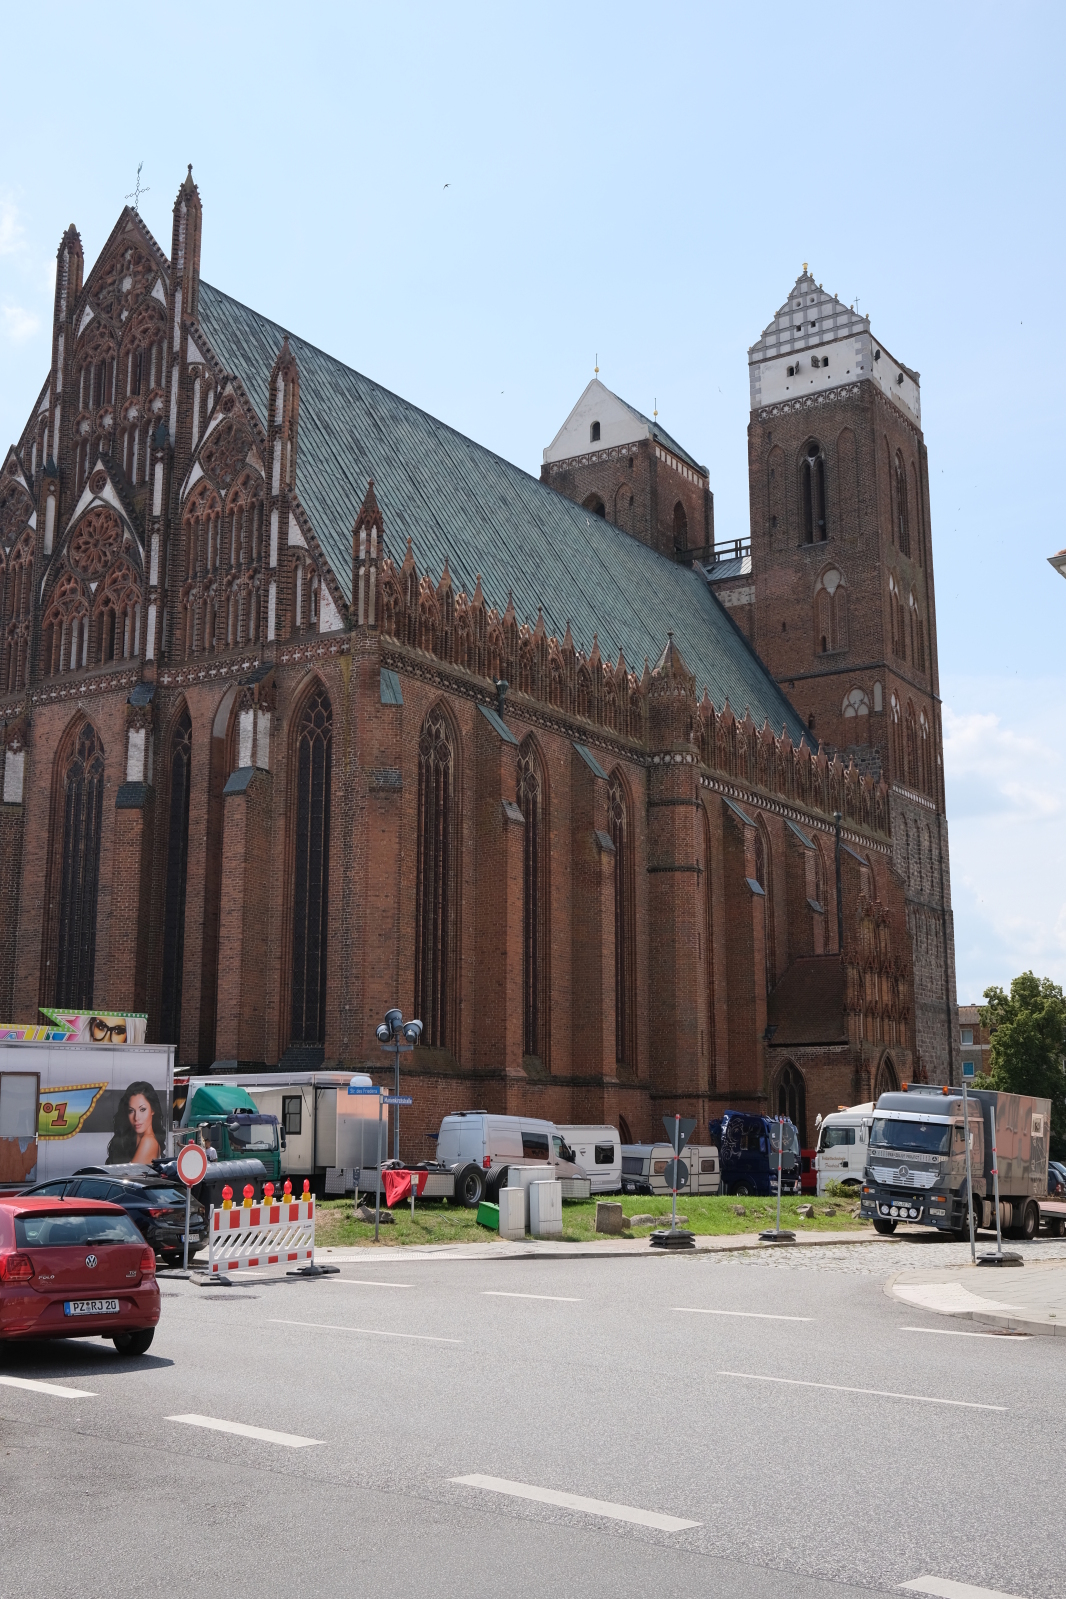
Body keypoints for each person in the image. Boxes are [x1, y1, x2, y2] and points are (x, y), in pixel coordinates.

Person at [106, 1081, 166, 1164]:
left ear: (153, 1110)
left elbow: (127, 1172)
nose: (136, 1118)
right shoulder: (135, 1139)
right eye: (131, 1111)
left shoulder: (149, 1141)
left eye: (142, 1109)